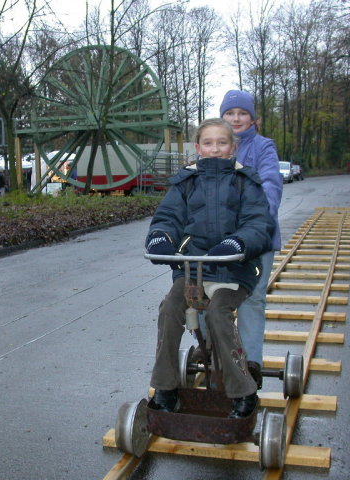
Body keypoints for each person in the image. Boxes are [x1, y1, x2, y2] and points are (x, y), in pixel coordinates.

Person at [145, 118, 275, 418]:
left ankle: (243, 391)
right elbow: (167, 218)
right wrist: (160, 238)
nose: (215, 149)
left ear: (233, 147)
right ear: (198, 147)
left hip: (233, 271)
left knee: (218, 314)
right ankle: (165, 387)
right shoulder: (185, 183)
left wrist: (238, 243)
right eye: (208, 143)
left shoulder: (246, 182)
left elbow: (258, 223)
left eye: (222, 143)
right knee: (169, 308)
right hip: (194, 271)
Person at [219, 90, 283, 389]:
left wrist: (259, 220)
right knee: (207, 299)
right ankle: (217, 361)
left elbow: (270, 183)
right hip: (218, 240)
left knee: (252, 300)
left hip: (257, 239)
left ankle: (251, 364)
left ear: (252, 117)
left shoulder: (263, 147)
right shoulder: (215, 146)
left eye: (241, 113)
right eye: (229, 113)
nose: (235, 119)